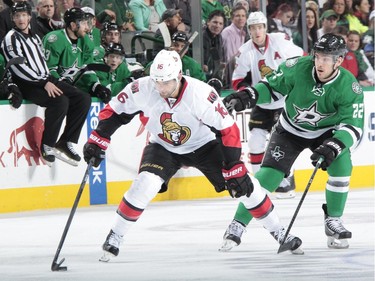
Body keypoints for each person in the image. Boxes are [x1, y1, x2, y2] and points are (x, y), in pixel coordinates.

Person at [82, 49, 303, 261]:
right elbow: (114, 112)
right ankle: (115, 235)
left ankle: (279, 232)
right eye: (157, 81)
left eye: (166, 81)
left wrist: (233, 165)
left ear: (178, 76)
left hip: (204, 145)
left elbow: (228, 130)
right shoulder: (142, 88)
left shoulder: (201, 94)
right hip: (163, 146)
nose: (160, 87)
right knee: (144, 184)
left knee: (246, 185)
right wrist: (97, 140)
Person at [221, 33, 364, 251]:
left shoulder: (349, 86)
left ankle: (333, 220)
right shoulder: (297, 66)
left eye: (327, 58)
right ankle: (237, 224)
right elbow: (271, 87)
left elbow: (353, 127)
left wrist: (334, 146)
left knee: (342, 164)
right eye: (318, 56)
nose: (320, 62)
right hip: (289, 130)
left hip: (326, 133)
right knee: (268, 176)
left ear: (339, 60)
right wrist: (249, 95)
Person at [1, 1, 91, 166]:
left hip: (44, 79)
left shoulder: (35, 37)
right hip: (27, 84)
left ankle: (65, 142)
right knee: (60, 101)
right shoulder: (10, 38)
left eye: (24, 15)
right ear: (13, 19)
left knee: (83, 98)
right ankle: (47, 145)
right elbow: (18, 68)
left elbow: (41, 63)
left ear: (29, 16)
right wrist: (44, 82)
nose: (21, 19)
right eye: (17, 16)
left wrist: (50, 79)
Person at [232, 11, 304, 203]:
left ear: (265, 28)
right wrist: (247, 93)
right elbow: (237, 79)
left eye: (260, 27)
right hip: (262, 101)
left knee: (284, 143)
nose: (257, 31)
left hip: (285, 100)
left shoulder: (280, 40)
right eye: (253, 28)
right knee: (255, 141)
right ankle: (258, 185)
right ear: (248, 30)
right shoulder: (245, 51)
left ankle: (286, 179)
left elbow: (302, 58)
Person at [43, 8, 112, 105]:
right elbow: (48, 69)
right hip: (50, 86)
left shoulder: (86, 41)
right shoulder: (54, 40)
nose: (87, 28)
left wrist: (95, 86)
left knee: (84, 99)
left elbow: (87, 67)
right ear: (73, 25)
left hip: (72, 87)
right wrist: (62, 82)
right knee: (80, 99)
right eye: (83, 24)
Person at [203, 10, 226, 81]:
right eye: (215, 22)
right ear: (208, 22)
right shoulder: (202, 36)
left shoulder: (219, 37)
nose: (217, 26)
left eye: (220, 23)